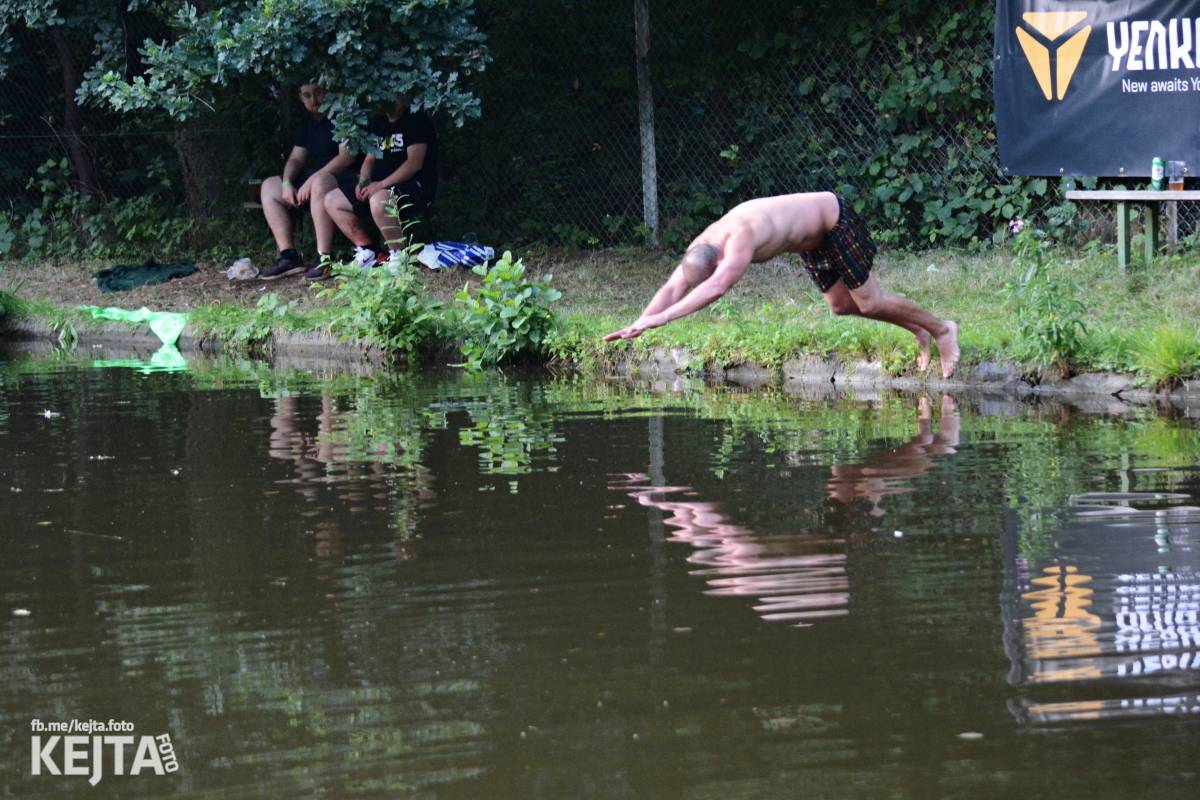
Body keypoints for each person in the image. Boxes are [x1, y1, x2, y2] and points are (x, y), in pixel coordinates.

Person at [604, 192, 960, 378]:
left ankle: (944, 330)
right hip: (811, 241)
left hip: (835, 221)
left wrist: (664, 320)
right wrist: (640, 321)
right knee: (841, 306)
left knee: (868, 301)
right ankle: (920, 329)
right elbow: (671, 288)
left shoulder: (738, 241)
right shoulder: (701, 247)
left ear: (721, 261)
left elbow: (715, 289)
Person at [316, 96, 438, 277]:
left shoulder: (416, 121)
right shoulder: (379, 124)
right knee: (332, 200)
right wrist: (363, 182)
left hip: (413, 186)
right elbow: (369, 159)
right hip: (378, 186)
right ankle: (368, 251)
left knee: (379, 199)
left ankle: (398, 255)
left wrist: (380, 185)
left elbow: (414, 164)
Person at [259, 84, 356, 280]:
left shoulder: (342, 117)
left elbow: (346, 158)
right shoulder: (307, 123)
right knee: (270, 185)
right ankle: (289, 257)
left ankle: (324, 258)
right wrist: (287, 183)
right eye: (307, 95)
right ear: (301, 97)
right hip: (312, 179)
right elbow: (296, 159)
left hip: (341, 178)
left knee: (319, 182)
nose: (314, 101)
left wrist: (312, 180)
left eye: (318, 93)